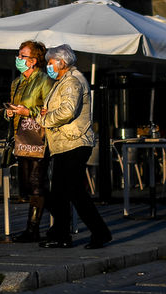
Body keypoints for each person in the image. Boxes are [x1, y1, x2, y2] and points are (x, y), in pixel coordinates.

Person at [38, 45, 111, 250]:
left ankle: (97, 233)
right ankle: (61, 234)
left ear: (62, 62)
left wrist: (44, 119)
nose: (48, 66)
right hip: (65, 144)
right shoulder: (63, 81)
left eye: (50, 62)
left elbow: (67, 112)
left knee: (72, 191)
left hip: (73, 142)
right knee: (61, 193)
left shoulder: (71, 81)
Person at [4, 40, 54, 243]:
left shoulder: (43, 79)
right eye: (18, 55)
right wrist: (9, 112)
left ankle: (33, 229)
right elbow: (14, 110)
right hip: (21, 136)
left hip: (38, 135)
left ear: (33, 61)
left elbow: (49, 109)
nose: (19, 59)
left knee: (36, 183)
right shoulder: (16, 82)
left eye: (22, 56)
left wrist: (29, 111)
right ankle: (62, 212)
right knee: (26, 185)